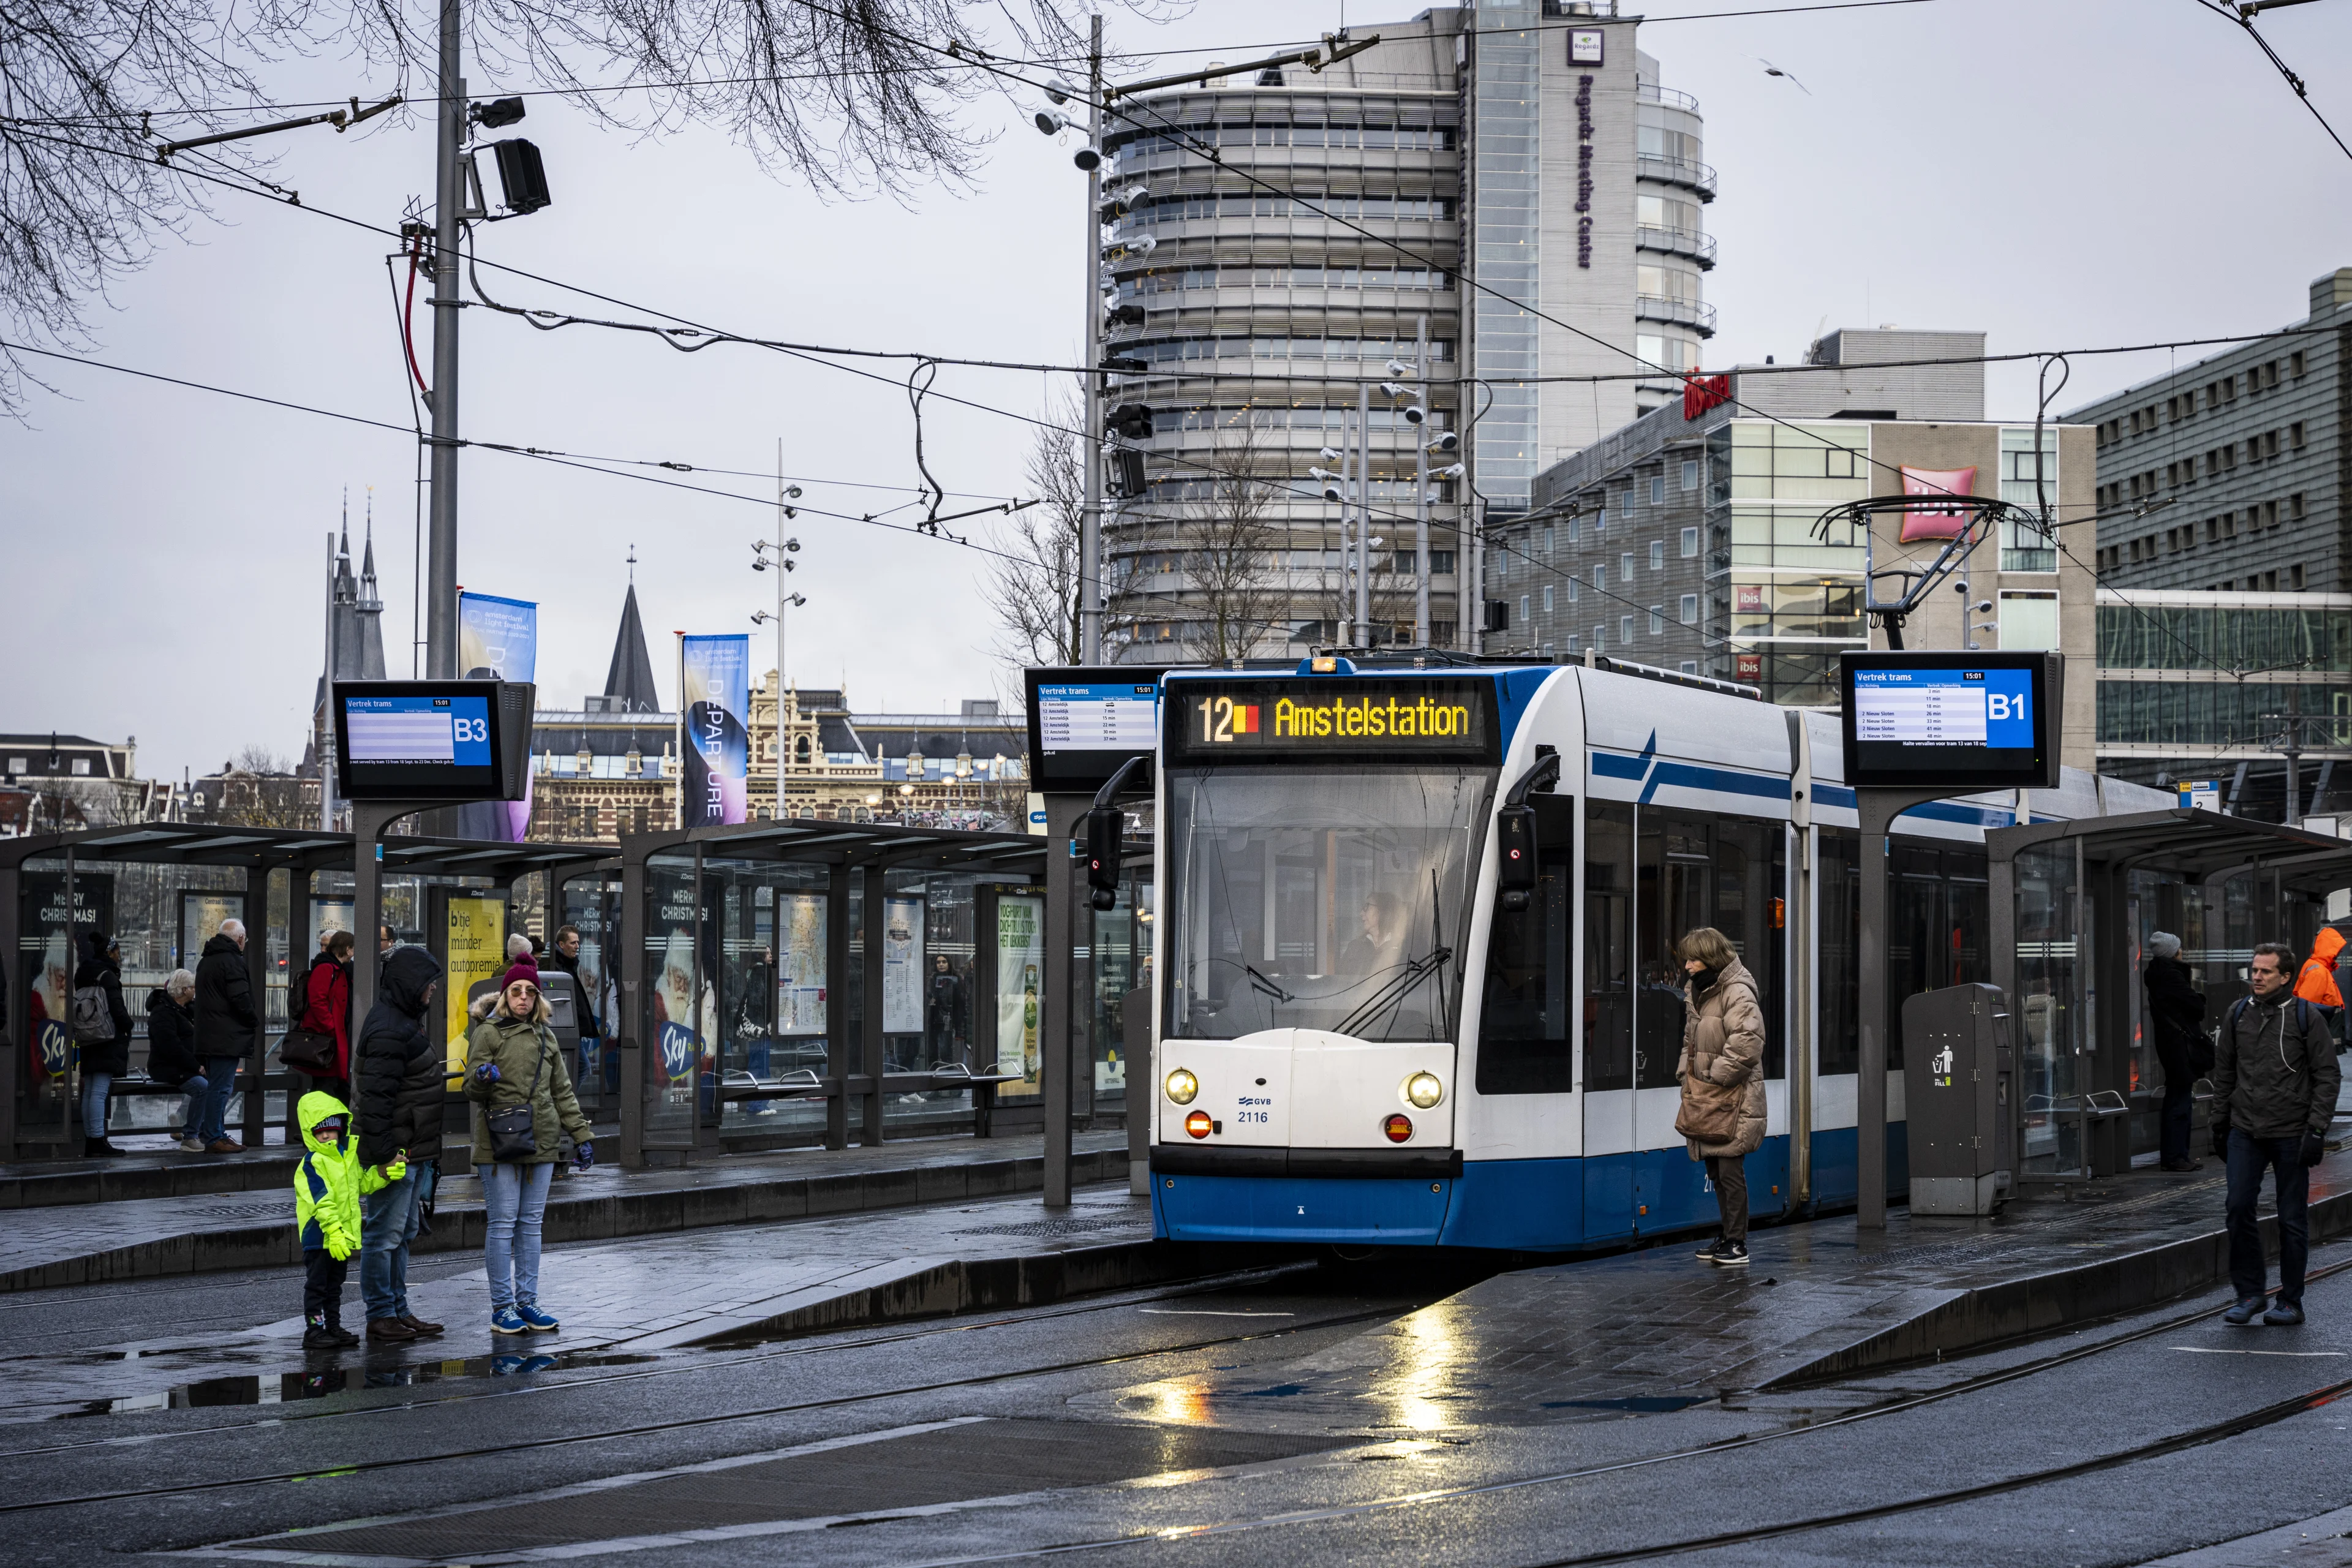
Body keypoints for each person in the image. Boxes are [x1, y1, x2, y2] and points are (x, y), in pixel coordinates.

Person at [2212, 941, 2342, 1327]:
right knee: (2238, 1208)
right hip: (2245, 1129)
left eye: (2265, 971)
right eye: (2254, 970)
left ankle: (2290, 1301)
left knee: (2291, 1219)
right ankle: (2250, 1294)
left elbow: (2327, 1075)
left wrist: (2316, 1129)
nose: (2257, 976)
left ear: (2285, 977)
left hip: (2291, 1132)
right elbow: (2224, 1072)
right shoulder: (2238, 1013)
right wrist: (2219, 1123)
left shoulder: (2305, 1016)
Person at [467, 961, 592, 1334]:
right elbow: (471, 1089)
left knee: (531, 1225)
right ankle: (502, 1308)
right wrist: (482, 1077)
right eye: (516, 991)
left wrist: (582, 1136)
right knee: (503, 1223)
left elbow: (563, 1092)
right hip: (499, 1140)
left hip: (542, 1139)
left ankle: (528, 1302)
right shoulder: (488, 1033)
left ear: (538, 998)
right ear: (505, 996)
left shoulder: (546, 1036)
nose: (523, 997)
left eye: (530, 992)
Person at [355, 944, 448, 1343]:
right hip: (397, 1153)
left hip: (411, 1149)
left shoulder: (402, 1021)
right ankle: (381, 1313)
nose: (433, 989)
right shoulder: (390, 1028)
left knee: (404, 1232)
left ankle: (397, 1309)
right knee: (385, 1235)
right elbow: (376, 1100)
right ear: (412, 983)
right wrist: (385, 1154)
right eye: (429, 982)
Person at [1676, 925, 1766, 1268]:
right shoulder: (1699, 991)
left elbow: (1748, 1042)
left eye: (1693, 959)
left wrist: (1715, 1076)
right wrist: (1686, 1073)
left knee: (1729, 1171)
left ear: (1710, 958)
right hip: (1707, 1097)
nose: (1687, 966)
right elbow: (1690, 1039)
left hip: (1733, 1097)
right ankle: (1728, 1236)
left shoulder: (1737, 992)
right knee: (1715, 1169)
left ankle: (1737, 1243)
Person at [292, 1088, 405, 1350]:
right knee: (317, 1285)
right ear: (310, 1133)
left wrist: (383, 1174)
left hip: (341, 1236)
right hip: (320, 1235)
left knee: (334, 1286)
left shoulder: (347, 1158)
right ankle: (314, 1330)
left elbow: (360, 1185)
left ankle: (333, 1326)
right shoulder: (312, 1163)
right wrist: (333, 1231)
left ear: (340, 1129)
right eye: (319, 1132)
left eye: (330, 1130)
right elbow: (320, 1201)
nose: (326, 1136)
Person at [2143, 932, 2211, 1172]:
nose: (2182, 951)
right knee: (2179, 1100)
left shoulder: (2158, 974)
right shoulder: (2171, 975)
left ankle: (2177, 1155)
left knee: (2177, 1096)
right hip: (2178, 1044)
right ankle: (2176, 1157)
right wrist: (2198, 998)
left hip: (2170, 1042)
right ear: (2173, 953)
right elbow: (2196, 1006)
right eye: (2179, 948)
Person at [192, 918, 257, 1153]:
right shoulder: (232, 962)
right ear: (240, 939)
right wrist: (253, 1020)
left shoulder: (207, 960)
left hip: (209, 1035)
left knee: (217, 1086)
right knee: (221, 1089)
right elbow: (240, 998)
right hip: (225, 1037)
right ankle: (213, 1136)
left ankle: (216, 1132)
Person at [73, 932, 132, 1157]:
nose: (119, 956)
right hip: (106, 1037)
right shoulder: (108, 976)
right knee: (99, 1092)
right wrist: (128, 1024)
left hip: (87, 1035)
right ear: (109, 952)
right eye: (117, 952)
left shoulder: (83, 973)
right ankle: (98, 1140)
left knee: (90, 1090)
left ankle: (91, 1140)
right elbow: (117, 1008)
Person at [145, 969, 207, 1153]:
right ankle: (190, 1136)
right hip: (167, 1067)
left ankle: (205, 1132)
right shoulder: (162, 1013)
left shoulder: (183, 1010)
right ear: (184, 990)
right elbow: (171, 1047)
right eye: (193, 987)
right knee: (203, 1088)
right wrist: (195, 1066)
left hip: (180, 1065)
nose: (196, 991)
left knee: (214, 1084)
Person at [293, 930, 356, 1102]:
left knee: (334, 1085)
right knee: (325, 1087)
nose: (353, 953)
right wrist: (331, 1027)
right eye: (353, 949)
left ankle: (334, 1120)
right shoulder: (327, 968)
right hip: (327, 1038)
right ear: (348, 949)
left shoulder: (340, 969)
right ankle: (322, 1120)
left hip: (335, 1037)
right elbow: (318, 1001)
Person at [545, 924, 603, 1040]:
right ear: (562, 945)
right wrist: (579, 1016)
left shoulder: (568, 965)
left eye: (578, 942)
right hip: (567, 1029)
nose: (577, 946)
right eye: (573, 943)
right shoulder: (556, 967)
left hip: (573, 1029)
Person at [2296, 925, 2346, 1042]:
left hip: (2323, 1035)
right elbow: (2306, 1009)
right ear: (2329, 948)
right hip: (2322, 1038)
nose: (2339, 953)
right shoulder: (2318, 971)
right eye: (2338, 949)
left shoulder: (2318, 968)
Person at [1338, 891, 1405, 975]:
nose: (1361, 913)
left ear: (1382, 910)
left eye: (1366, 907)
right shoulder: (1355, 947)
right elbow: (1340, 979)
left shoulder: (1402, 947)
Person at [926, 954, 965, 1065]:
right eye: (938, 962)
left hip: (948, 1019)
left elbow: (960, 1002)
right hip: (933, 1019)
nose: (941, 965)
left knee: (946, 1052)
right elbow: (928, 996)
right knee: (932, 1052)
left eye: (944, 962)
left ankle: (947, 1072)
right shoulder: (932, 979)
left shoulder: (955, 979)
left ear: (949, 963)